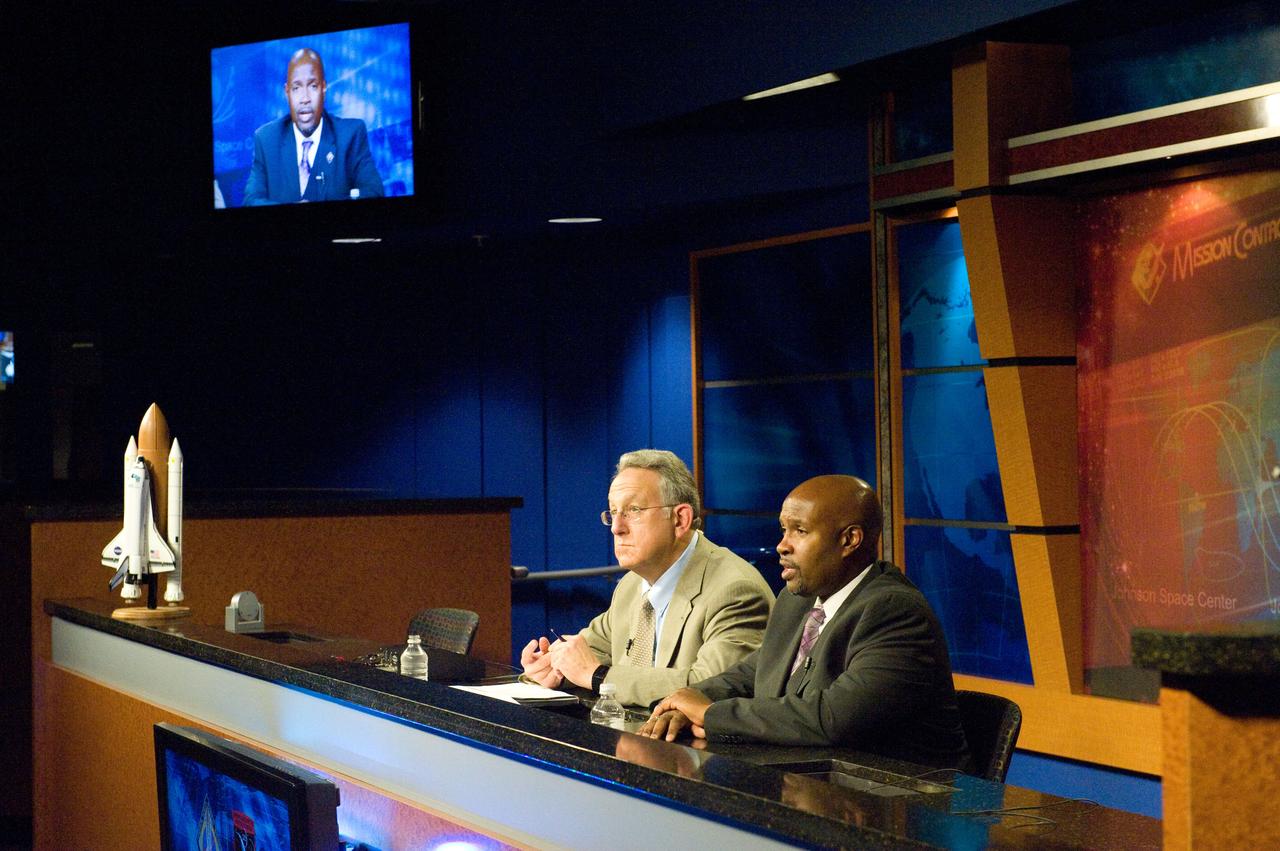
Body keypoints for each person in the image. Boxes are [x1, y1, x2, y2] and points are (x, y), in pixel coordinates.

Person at [641, 475, 970, 771]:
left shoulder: (894, 611)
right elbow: (753, 672)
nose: (782, 545)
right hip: (816, 786)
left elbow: (834, 718)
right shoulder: (796, 600)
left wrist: (710, 715)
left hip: (906, 806)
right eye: (784, 530)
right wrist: (686, 701)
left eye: (800, 530)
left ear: (849, 540)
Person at [521, 450, 775, 707]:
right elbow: (590, 650)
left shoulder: (736, 591)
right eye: (612, 512)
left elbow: (711, 688)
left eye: (633, 510)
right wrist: (555, 668)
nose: (616, 528)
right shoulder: (632, 585)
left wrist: (598, 676)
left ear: (680, 519)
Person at [242, 48, 384, 206]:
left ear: (324, 88)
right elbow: (251, 201)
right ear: (286, 92)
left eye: (313, 86)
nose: (305, 99)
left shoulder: (351, 135)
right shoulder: (266, 139)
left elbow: (374, 192)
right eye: (296, 88)